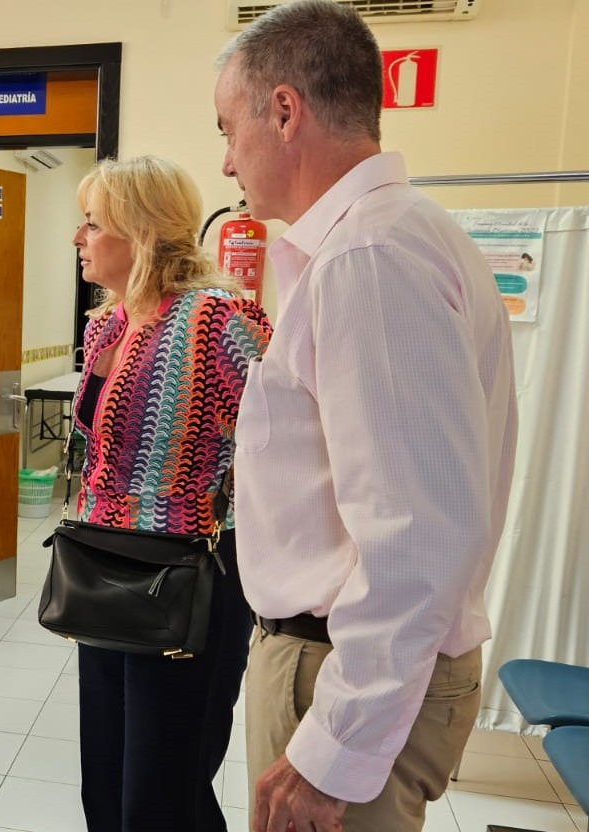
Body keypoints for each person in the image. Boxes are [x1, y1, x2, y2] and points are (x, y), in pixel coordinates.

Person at [213, 2, 518, 830]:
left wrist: (334, 747)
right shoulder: (392, 239)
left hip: (343, 673)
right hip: (350, 663)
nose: (228, 163)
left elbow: (417, 537)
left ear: (284, 111)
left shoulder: (369, 258)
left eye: (227, 129)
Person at [69, 155, 271, 831]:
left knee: (163, 792)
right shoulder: (107, 325)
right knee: (107, 777)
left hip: (192, 581)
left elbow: (294, 446)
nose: (79, 238)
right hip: (104, 576)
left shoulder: (220, 321)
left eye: (92, 224)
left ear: (142, 231)